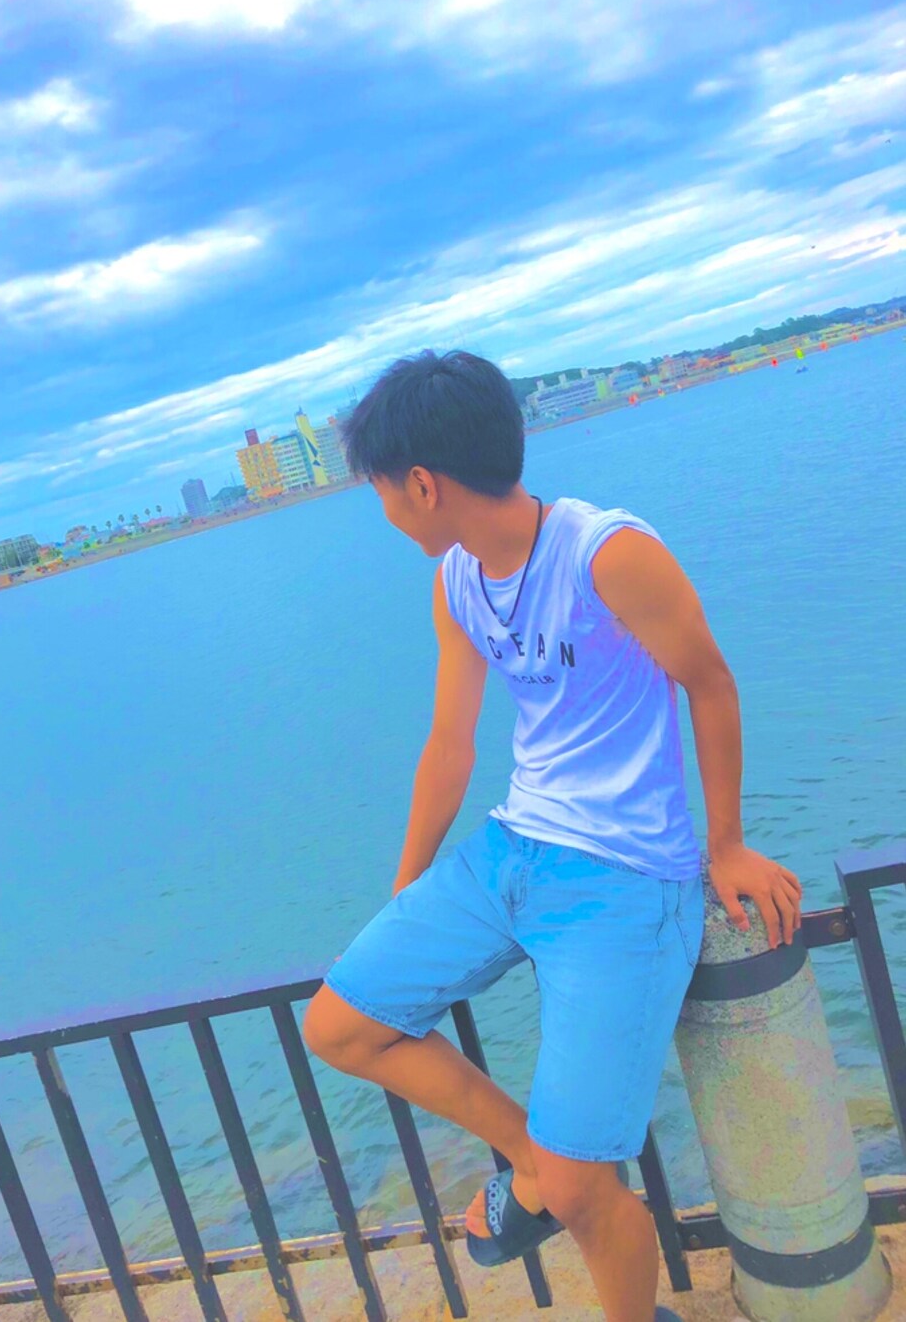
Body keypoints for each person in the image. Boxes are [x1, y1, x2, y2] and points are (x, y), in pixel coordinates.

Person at [302, 349, 803, 1322]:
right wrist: (407, 887)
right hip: (512, 848)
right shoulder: (455, 580)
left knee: (583, 1191)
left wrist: (727, 844)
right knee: (339, 1025)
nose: (384, 510)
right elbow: (450, 743)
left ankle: (585, 1230)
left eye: (381, 489)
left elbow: (708, 682)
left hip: (627, 876)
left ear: (422, 483)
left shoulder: (607, 553)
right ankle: (528, 1157)